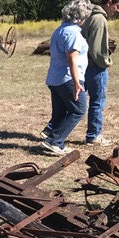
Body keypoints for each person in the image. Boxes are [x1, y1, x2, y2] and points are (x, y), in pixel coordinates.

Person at [41, 0, 93, 156]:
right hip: (68, 78)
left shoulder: (59, 30)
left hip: (54, 78)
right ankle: (54, 141)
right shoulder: (73, 32)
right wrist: (77, 82)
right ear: (81, 16)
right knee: (79, 110)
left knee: (61, 111)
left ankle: (55, 140)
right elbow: (72, 58)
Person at [82, 0, 119, 146]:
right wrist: (106, 62)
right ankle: (94, 135)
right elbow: (97, 50)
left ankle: (53, 130)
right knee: (97, 102)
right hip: (95, 67)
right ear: (109, 2)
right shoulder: (99, 19)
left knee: (77, 100)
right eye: (117, 6)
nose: (117, 10)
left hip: (86, 65)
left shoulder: (91, 16)